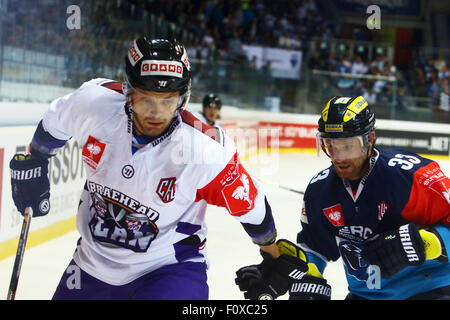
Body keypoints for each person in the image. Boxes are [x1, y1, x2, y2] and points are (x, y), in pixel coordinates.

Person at [9, 37, 307, 300]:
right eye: (145, 99)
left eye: (169, 101)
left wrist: (271, 254)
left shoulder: (205, 151)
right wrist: (36, 159)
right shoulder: (93, 103)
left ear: (184, 97)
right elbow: (53, 125)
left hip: (169, 270)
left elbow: (251, 206)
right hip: (90, 265)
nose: (156, 112)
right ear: (127, 91)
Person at [235, 96, 449, 300]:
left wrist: (427, 243)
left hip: (431, 289)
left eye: (348, 146)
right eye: (331, 146)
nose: (338, 157)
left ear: (370, 139)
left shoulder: (410, 177)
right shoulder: (320, 190)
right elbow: (316, 247)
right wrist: (305, 274)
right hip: (367, 295)